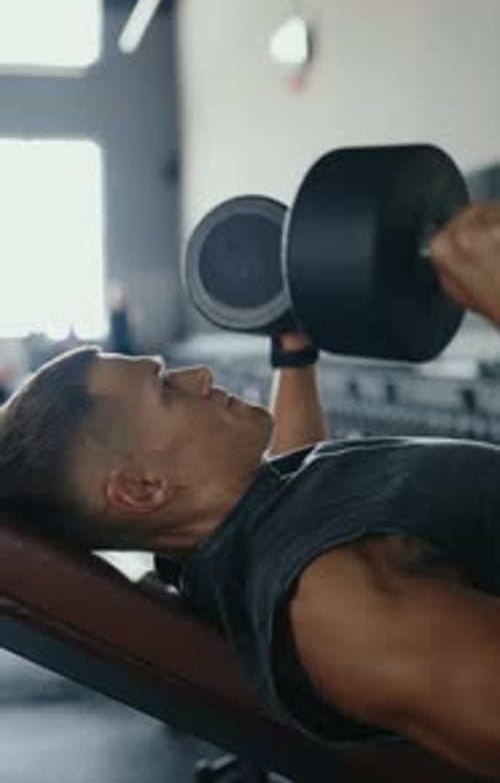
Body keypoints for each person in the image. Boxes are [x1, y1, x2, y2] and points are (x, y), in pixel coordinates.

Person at [1, 201, 500, 777]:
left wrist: (293, 352)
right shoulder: (346, 610)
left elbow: (300, 478)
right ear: (142, 487)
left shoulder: (241, 536)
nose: (199, 375)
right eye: (166, 388)